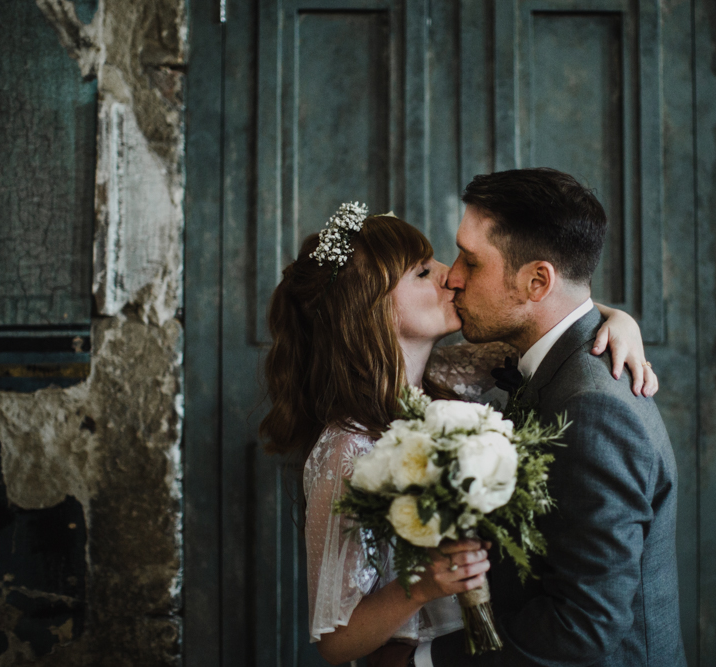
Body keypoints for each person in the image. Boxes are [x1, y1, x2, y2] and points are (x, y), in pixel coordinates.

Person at [259, 209, 657, 666]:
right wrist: (424, 585)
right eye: (424, 271)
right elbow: (336, 644)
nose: (452, 277)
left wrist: (618, 318)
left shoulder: (448, 376)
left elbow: (551, 322)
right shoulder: (347, 447)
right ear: (369, 304)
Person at [372, 168, 686, 667]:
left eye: (471, 262)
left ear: (537, 280)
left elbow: (582, 628)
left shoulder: (592, 407)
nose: (452, 276)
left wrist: (420, 661)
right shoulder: (549, 362)